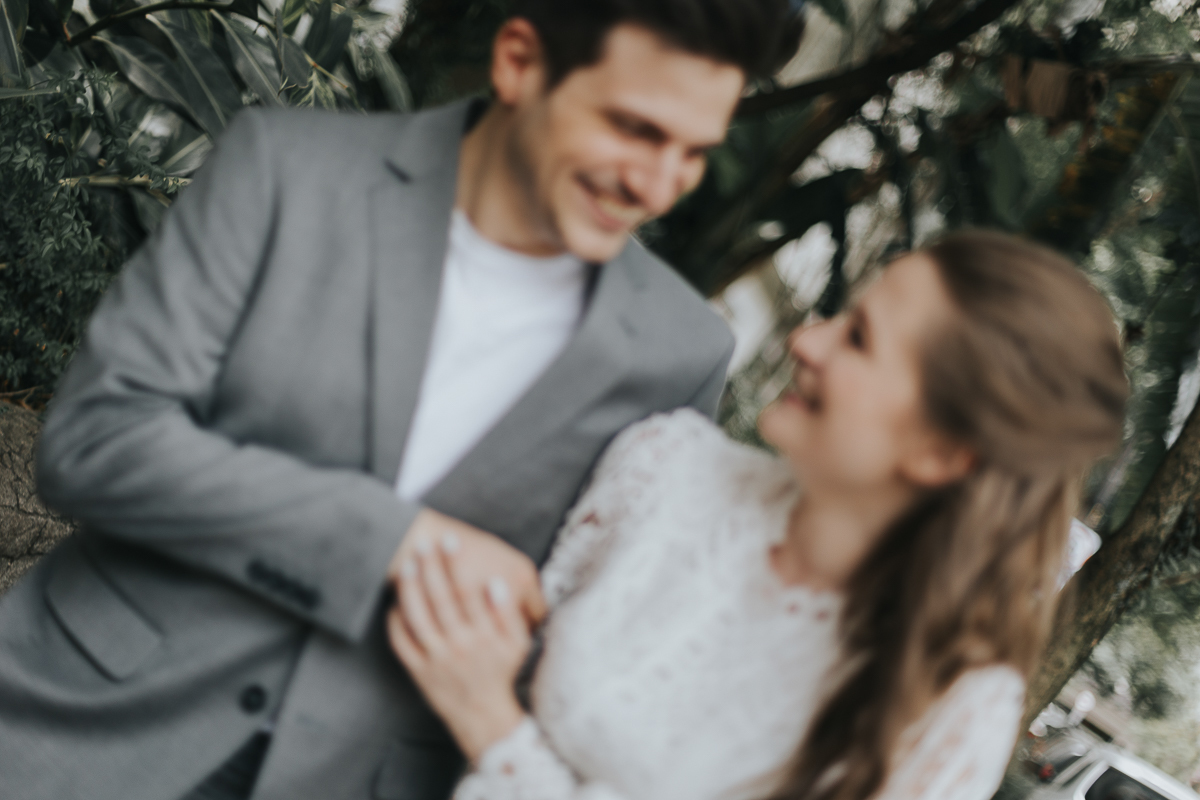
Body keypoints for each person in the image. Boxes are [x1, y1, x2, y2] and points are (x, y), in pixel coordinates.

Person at [0, 3, 805, 800]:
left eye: (694, 153)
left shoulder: (682, 354)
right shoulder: (286, 167)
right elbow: (96, 441)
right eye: (634, 129)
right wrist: (398, 543)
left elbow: (600, 642)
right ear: (519, 62)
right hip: (79, 729)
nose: (656, 186)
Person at [387, 232, 1129, 800]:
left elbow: (489, 706)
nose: (807, 339)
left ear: (941, 452)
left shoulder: (952, 702)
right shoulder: (661, 465)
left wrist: (495, 734)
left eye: (858, 338)